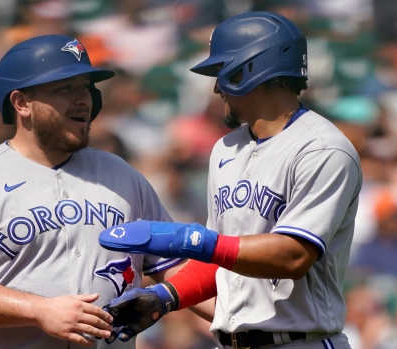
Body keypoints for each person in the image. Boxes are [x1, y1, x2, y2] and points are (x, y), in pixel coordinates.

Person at [98, 11, 362, 349]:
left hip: (302, 341)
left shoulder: (322, 148)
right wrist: (165, 296)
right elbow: (225, 258)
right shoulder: (226, 149)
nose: (216, 87)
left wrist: (191, 240)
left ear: (249, 70)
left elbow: (294, 256)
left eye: (222, 72)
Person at [0, 34, 185, 349]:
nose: (83, 99)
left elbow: (177, 268)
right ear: (21, 103)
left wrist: (242, 327)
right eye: (64, 88)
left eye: (86, 86)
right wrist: (39, 310)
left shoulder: (123, 175)